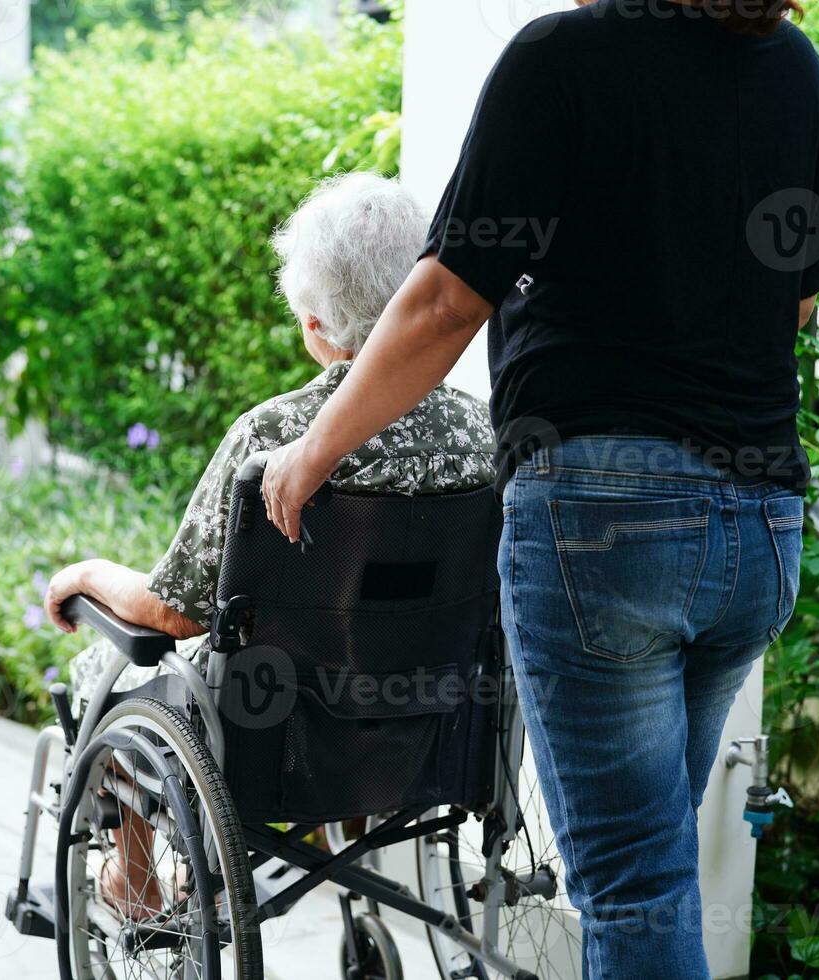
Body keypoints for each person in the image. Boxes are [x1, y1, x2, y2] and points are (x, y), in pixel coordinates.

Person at [258, 1, 819, 976]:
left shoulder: (564, 57)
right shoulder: (798, 73)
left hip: (608, 525)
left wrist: (314, 448)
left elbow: (447, 297)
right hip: (762, 522)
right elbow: (797, 299)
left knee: (631, 886)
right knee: (652, 873)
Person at [43, 171, 495, 918]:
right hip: (433, 727)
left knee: (104, 661)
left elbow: (174, 613)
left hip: (280, 736)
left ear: (315, 326)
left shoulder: (278, 436)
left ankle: (133, 876)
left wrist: (87, 572)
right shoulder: (482, 433)